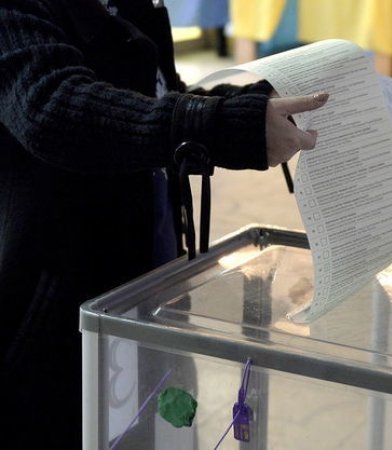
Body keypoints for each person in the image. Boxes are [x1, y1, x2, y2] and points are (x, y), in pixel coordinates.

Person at [0, 0, 328, 448]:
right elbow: (50, 105)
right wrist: (220, 127)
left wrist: (260, 103)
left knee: (154, 427)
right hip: (53, 317)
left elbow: (156, 101)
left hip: (148, 287)